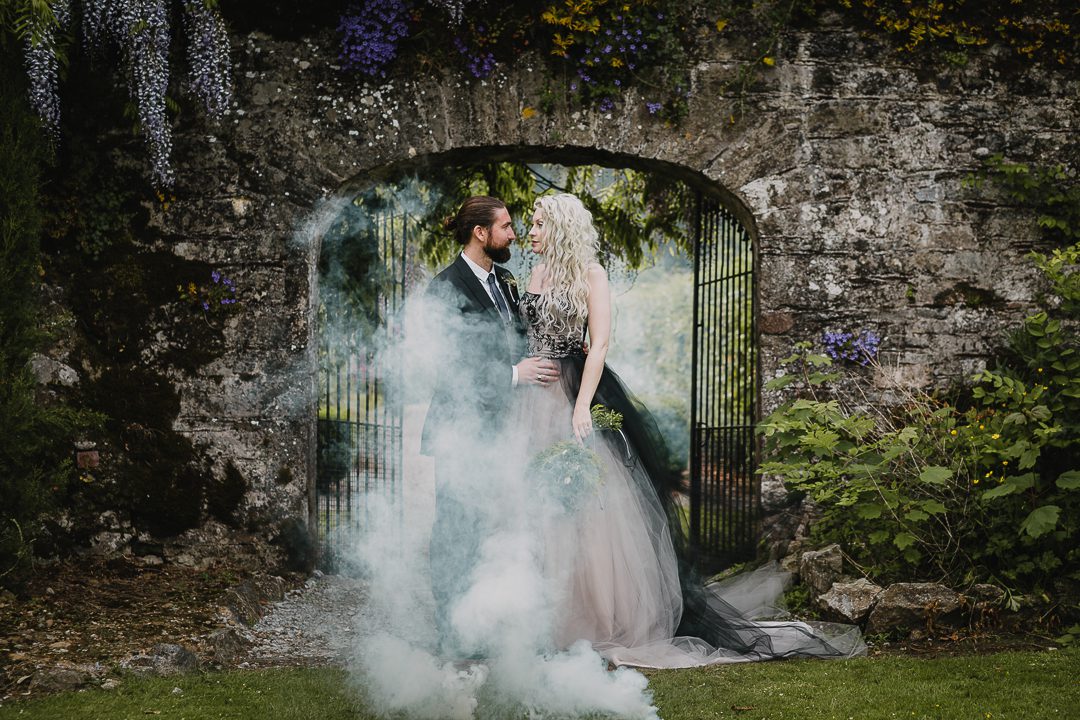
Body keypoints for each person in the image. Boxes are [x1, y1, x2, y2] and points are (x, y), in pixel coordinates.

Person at [514, 193, 865, 668]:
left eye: (538, 223)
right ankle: (540, 617)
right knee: (538, 501)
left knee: (591, 504)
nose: (531, 231)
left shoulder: (591, 274)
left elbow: (599, 345)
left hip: (577, 390)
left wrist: (580, 408)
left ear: (560, 227)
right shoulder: (535, 274)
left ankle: (592, 619)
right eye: (531, 223)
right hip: (535, 399)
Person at [420, 195, 559, 656]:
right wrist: (514, 375)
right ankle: (452, 635)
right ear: (480, 233)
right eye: (506, 226)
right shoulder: (444, 288)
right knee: (456, 528)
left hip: (506, 429)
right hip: (461, 431)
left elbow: (519, 339)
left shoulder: (505, 281)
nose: (514, 234)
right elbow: (450, 367)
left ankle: (485, 625)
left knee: (493, 528)